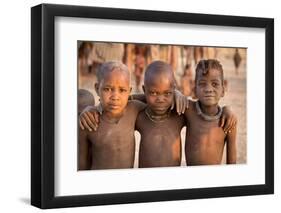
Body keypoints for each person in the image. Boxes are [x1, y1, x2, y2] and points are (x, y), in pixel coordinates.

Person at [80, 61, 237, 168]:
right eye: (153, 93)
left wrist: (227, 110)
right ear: (145, 90)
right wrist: (93, 108)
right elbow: (123, 100)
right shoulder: (139, 114)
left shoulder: (180, 113)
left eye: (167, 93)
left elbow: (205, 112)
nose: (160, 100)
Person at [79, 61, 145, 170]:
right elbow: (81, 165)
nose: (115, 97)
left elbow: (154, 97)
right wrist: (89, 109)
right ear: (97, 88)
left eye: (122, 90)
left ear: (129, 91)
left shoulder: (134, 110)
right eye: (107, 89)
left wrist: (175, 94)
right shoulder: (89, 121)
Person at [184, 59, 237, 165]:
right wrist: (176, 94)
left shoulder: (228, 120)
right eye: (203, 84)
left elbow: (232, 163)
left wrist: (228, 109)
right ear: (194, 89)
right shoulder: (188, 110)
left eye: (215, 84)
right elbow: (163, 99)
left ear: (223, 89)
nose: (208, 89)